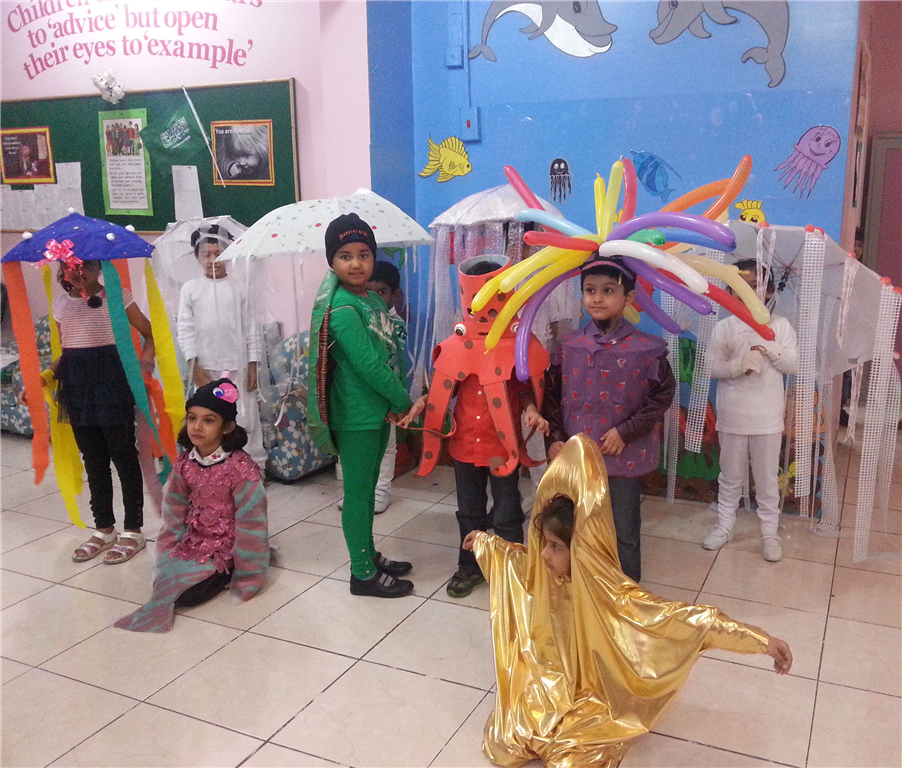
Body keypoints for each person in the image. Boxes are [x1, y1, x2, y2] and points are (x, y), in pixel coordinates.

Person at [463, 434, 793, 768]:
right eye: (544, 544)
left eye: (556, 547)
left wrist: (761, 641)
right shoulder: (542, 576)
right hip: (548, 686)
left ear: (583, 549)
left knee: (569, 761)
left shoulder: (613, 596)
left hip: (593, 701)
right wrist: (484, 543)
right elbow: (514, 559)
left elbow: (692, 621)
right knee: (507, 744)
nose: (545, 555)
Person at [308, 213, 427, 598]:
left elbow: (390, 352)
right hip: (355, 415)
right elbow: (368, 365)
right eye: (345, 256)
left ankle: (368, 554)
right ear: (331, 260)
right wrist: (403, 400)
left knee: (370, 486)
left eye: (364, 254)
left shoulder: (373, 300)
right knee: (358, 495)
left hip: (378, 411)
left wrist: (392, 400)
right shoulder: (342, 307)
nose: (356, 263)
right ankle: (361, 573)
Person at [542, 256, 675, 583]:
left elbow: (661, 396)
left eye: (608, 290)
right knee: (576, 523)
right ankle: (584, 586)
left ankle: (626, 594)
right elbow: (552, 395)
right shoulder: (568, 345)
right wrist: (555, 437)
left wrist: (626, 432)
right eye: (590, 290)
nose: (597, 298)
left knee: (623, 527)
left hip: (621, 455)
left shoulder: (646, 349)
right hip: (577, 454)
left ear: (629, 297)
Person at [115, 379, 269, 632]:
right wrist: (167, 552)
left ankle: (226, 571)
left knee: (188, 596)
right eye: (192, 418)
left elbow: (252, 523)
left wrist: (248, 575)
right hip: (194, 540)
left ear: (227, 427)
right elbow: (174, 510)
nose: (197, 427)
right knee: (167, 581)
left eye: (208, 420)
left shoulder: (241, 468)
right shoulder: (186, 461)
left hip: (225, 547)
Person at [443, 258, 550, 599]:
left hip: (502, 447)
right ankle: (470, 565)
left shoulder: (516, 345)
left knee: (506, 512)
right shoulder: (458, 343)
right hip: (464, 444)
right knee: (469, 511)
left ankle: (511, 567)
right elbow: (445, 387)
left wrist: (531, 410)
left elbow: (524, 388)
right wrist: (424, 404)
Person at [38, 258, 155, 564]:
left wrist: (146, 359)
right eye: (71, 267)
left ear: (98, 267)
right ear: (63, 270)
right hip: (77, 387)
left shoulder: (118, 298)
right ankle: (104, 528)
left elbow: (149, 332)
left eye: (85, 266)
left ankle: (133, 530)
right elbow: (66, 353)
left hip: (111, 383)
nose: (78, 273)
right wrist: (44, 377)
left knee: (123, 455)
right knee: (93, 459)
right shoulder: (60, 305)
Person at [703, 259, 799, 562]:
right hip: (733, 415)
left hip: (767, 418)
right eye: (741, 285)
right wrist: (737, 365)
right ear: (730, 291)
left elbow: (794, 364)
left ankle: (769, 531)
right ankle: (725, 525)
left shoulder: (780, 325)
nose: (749, 291)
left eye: (756, 285)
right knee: (730, 475)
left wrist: (770, 348)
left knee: (767, 479)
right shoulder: (724, 327)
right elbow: (711, 367)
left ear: (769, 290)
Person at [177, 224, 267, 470]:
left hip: (238, 366)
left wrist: (253, 364)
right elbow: (185, 330)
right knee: (210, 417)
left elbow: (251, 327)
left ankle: (255, 466)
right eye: (206, 254)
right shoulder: (190, 289)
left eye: (219, 253)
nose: (213, 260)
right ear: (197, 256)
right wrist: (194, 366)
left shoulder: (240, 287)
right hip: (206, 370)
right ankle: (214, 467)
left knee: (245, 417)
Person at [336, 260, 407, 513]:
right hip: (361, 397)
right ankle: (356, 492)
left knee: (387, 446)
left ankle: (381, 491)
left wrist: (400, 398)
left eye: (382, 292)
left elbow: (388, 357)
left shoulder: (395, 323)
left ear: (394, 295)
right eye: (370, 290)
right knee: (355, 452)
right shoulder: (349, 312)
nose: (375, 297)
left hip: (388, 392)